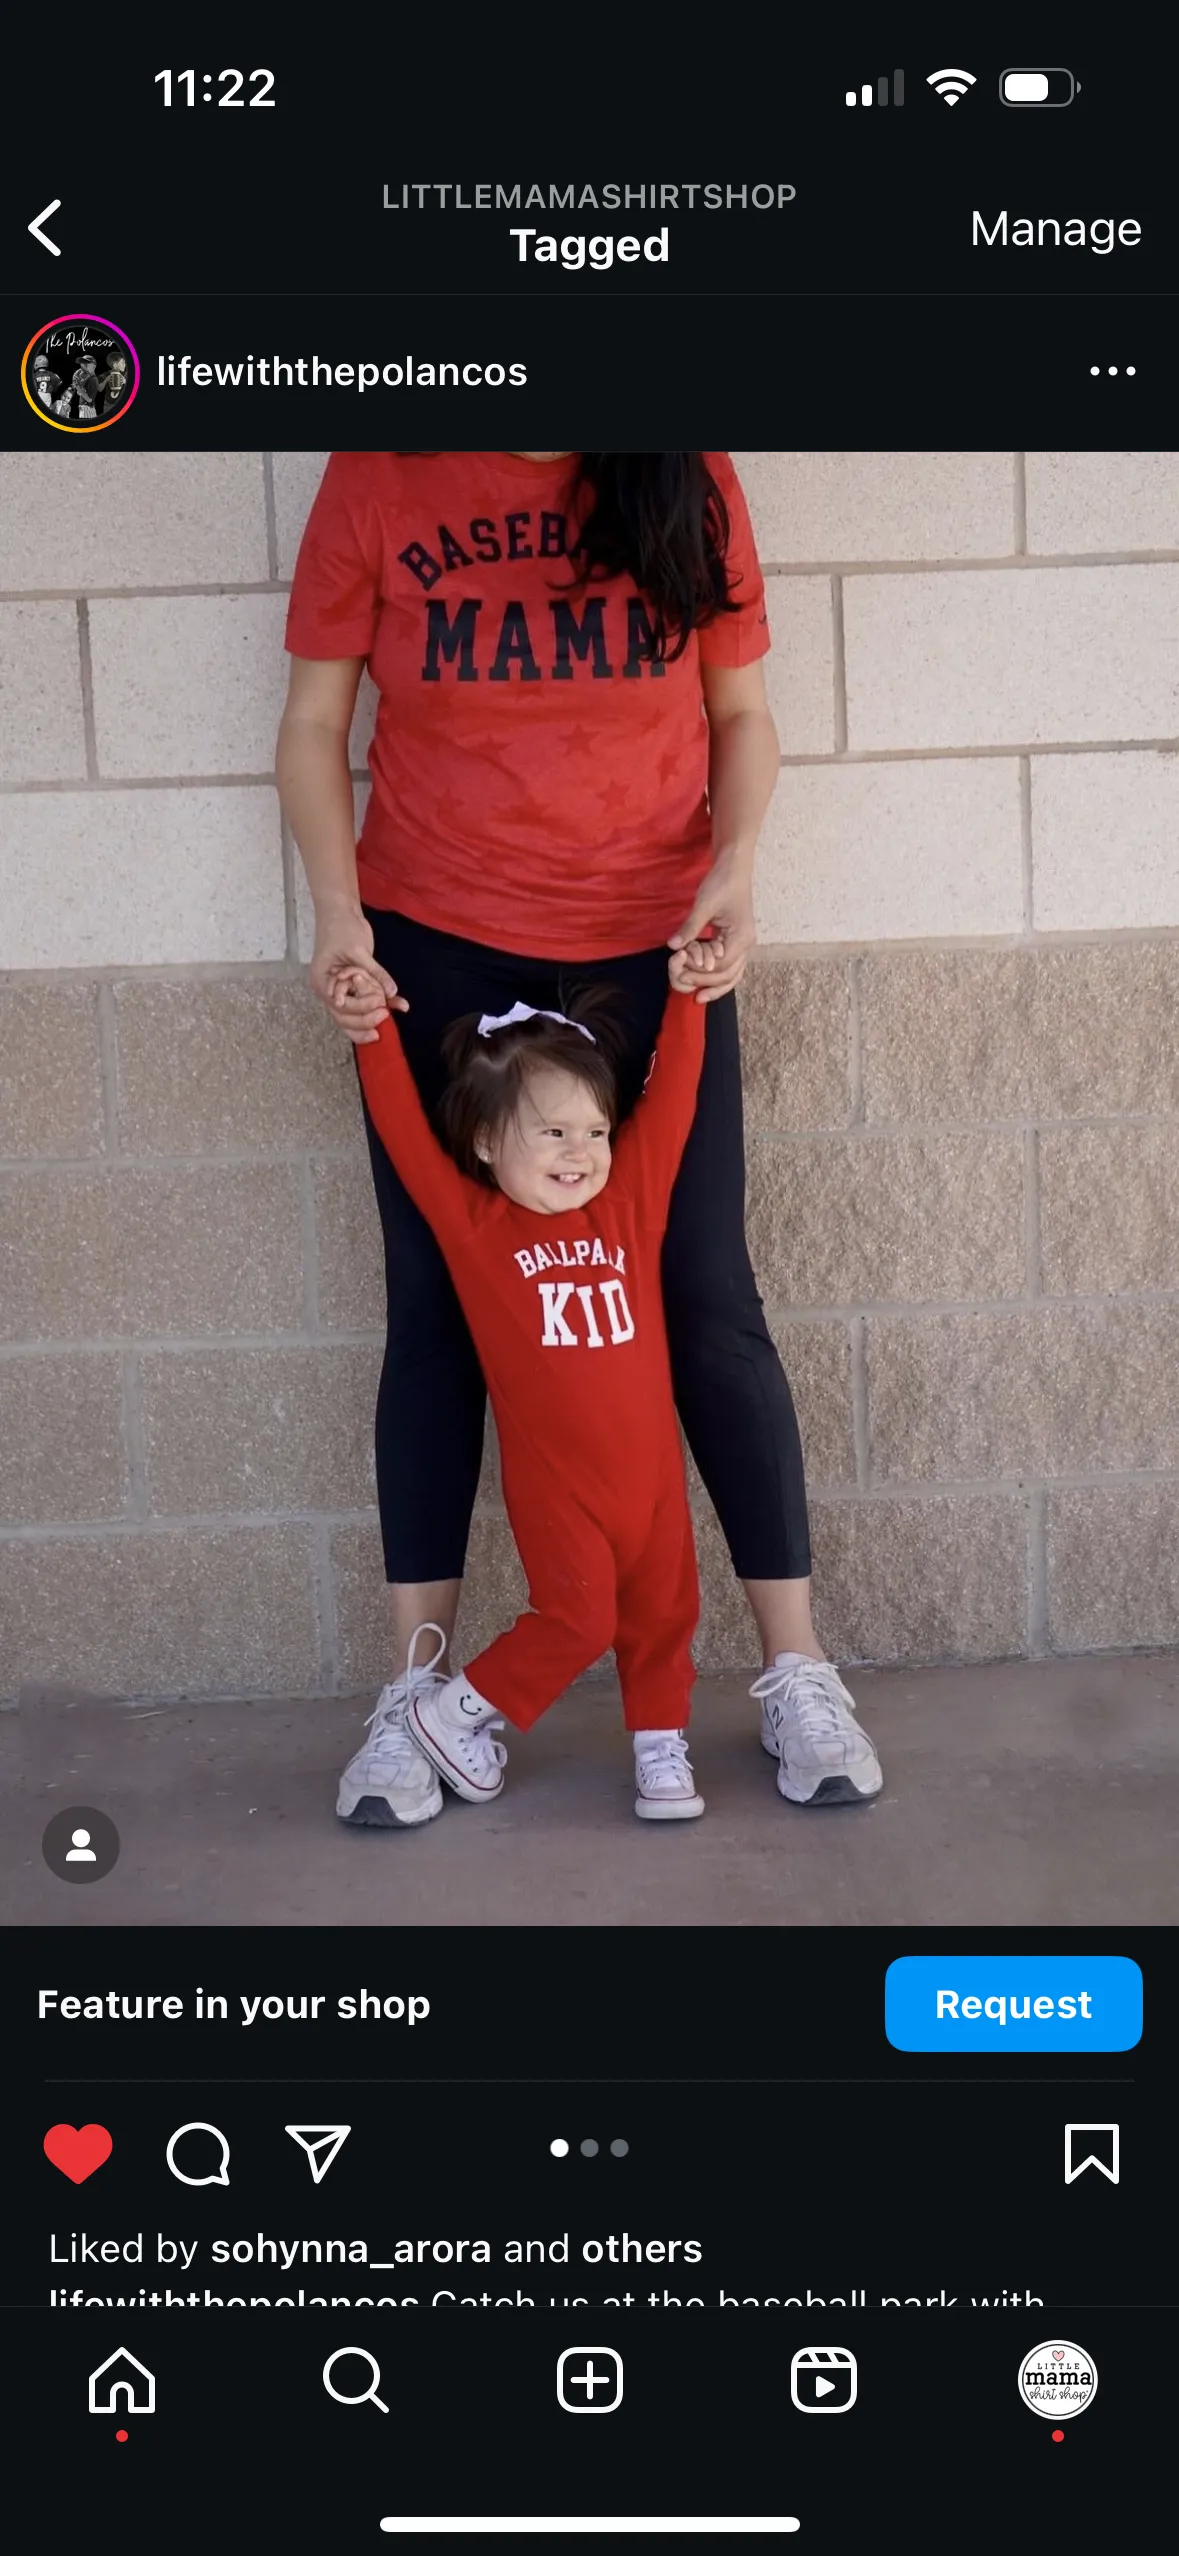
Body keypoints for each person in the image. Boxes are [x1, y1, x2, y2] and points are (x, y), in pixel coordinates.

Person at [277, 451, 882, 1831]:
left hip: (648, 950)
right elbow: (314, 722)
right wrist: (335, 915)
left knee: (704, 1295)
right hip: (434, 935)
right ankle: (415, 1688)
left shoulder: (682, 466)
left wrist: (733, 871)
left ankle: (793, 1669)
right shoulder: (382, 465)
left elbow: (740, 712)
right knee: (438, 1309)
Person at [342, 953, 714, 1823]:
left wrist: (692, 996)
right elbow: (400, 1125)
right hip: (559, 1483)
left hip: (651, 1474)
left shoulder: (632, 1205)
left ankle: (659, 1750)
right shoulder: (475, 1229)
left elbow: (675, 1100)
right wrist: (368, 1033)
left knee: (666, 1610)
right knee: (579, 1618)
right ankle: (454, 1711)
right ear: (484, 1142)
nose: (580, 1151)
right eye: (551, 1133)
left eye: (592, 1131)